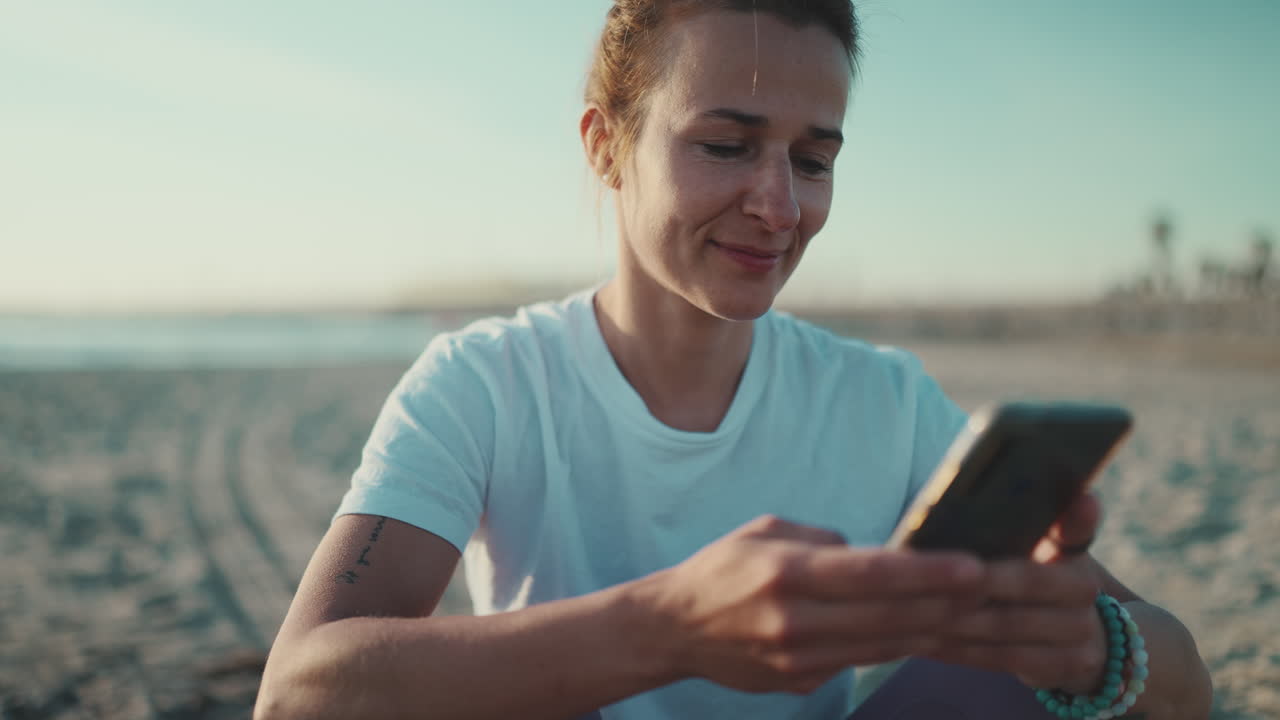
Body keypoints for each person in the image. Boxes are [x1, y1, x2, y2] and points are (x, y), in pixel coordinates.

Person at [254, 2, 1212, 718]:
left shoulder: (884, 400)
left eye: (814, 160)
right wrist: (673, 627)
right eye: (724, 144)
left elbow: (1186, 680)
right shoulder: (485, 387)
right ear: (605, 145)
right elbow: (300, 693)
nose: (779, 205)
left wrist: (1086, 649)